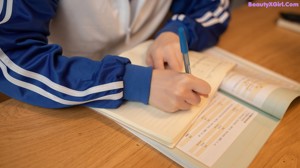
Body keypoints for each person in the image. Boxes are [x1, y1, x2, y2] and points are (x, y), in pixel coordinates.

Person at [0, 0, 230, 112]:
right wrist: (131, 81)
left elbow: (211, 6)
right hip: (60, 92)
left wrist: (176, 31)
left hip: (148, 78)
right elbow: (13, 54)